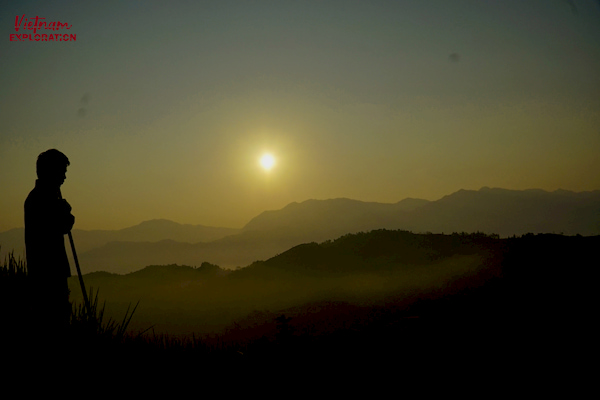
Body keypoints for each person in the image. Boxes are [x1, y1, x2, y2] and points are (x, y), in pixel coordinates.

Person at [24, 149, 75, 337]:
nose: (64, 177)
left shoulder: (38, 197)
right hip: (49, 275)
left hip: (44, 275)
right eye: (61, 172)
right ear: (50, 172)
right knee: (54, 326)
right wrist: (66, 212)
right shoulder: (43, 199)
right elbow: (62, 226)